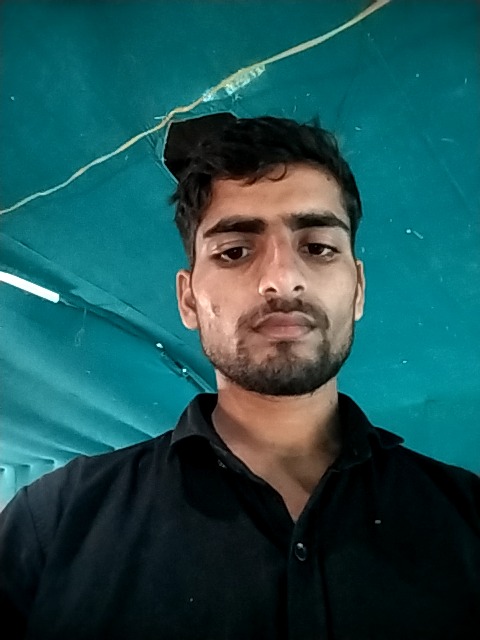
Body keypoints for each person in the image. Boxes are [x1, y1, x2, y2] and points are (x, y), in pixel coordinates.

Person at [0, 114, 479, 640]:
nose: (283, 280)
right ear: (188, 299)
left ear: (358, 289)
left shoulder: (467, 517)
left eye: (318, 247)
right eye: (234, 251)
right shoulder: (53, 521)